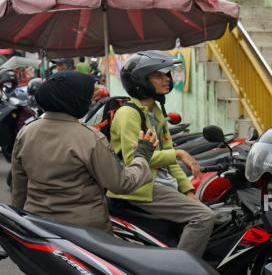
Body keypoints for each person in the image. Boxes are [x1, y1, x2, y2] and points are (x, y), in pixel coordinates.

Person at [11, 71, 157, 234]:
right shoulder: (89, 138)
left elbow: (19, 188)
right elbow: (121, 183)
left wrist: (18, 225)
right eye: (88, 95)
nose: (91, 100)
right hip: (85, 233)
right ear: (75, 99)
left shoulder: (26, 132)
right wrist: (142, 155)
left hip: (38, 226)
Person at [107, 50, 215, 257]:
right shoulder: (128, 113)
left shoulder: (156, 111)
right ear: (141, 80)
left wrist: (187, 190)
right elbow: (135, 160)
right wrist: (179, 154)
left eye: (167, 74)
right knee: (204, 217)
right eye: (158, 75)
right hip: (141, 185)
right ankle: (181, 270)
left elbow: (168, 154)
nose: (167, 79)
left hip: (159, 182)